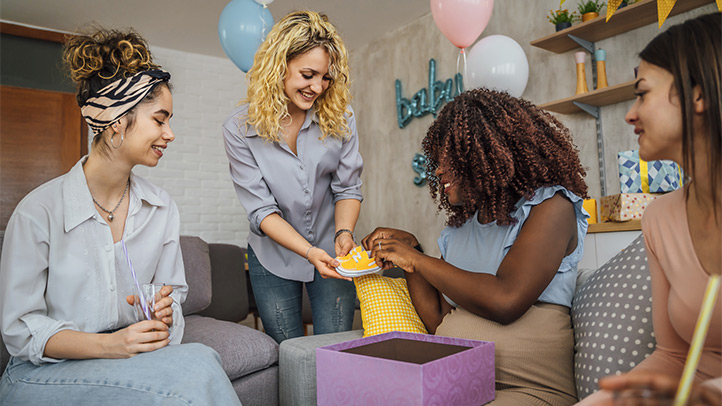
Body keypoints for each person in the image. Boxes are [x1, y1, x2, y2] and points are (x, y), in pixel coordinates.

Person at [0, 28, 240, 405]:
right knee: (193, 376)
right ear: (116, 121)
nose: (170, 134)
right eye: (160, 119)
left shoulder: (161, 208)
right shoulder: (38, 212)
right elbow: (20, 331)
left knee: (201, 359)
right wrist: (110, 345)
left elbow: (172, 299)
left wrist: (164, 313)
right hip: (43, 374)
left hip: (123, 360)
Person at [362, 88, 590, 405]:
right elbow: (439, 318)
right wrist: (410, 250)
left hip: (529, 389)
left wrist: (415, 258)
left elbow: (505, 299)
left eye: (449, 158)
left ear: (487, 154)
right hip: (458, 383)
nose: (438, 169)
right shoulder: (457, 232)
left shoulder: (552, 207)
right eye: (437, 160)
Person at [576, 12, 721, 406]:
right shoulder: (659, 218)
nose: (630, 113)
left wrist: (706, 396)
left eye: (642, 92)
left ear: (699, 95)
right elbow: (673, 356)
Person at [223, 11, 362, 344]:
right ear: (278, 66)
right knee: (289, 350)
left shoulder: (341, 117)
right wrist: (308, 251)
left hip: (332, 250)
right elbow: (262, 211)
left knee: (335, 348)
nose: (317, 87)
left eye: (326, 77)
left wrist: (344, 233)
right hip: (272, 256)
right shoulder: (239, 129)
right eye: (308, 74)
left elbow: (348, 188)